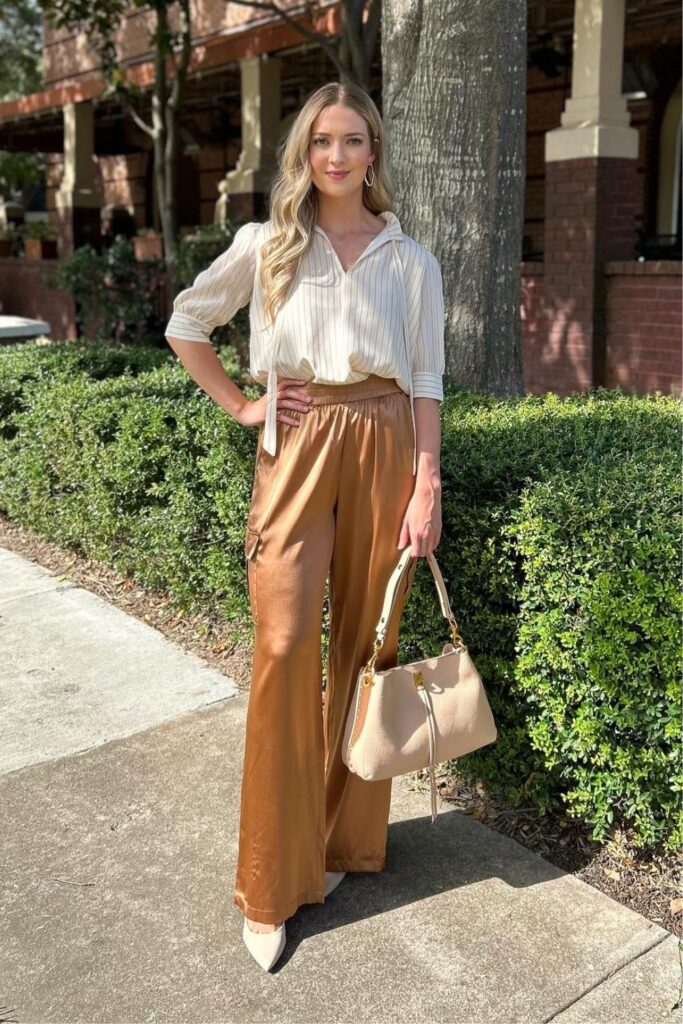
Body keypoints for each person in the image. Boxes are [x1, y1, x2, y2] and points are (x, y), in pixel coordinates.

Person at [164, 80, 445, 972]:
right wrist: (242, 405)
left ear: (373, 151)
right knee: (283, 646)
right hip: (297, 441)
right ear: (304, 152)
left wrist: (426, 485)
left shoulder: (410, 259)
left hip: (387, 441)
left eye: (352, 140)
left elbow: (426, 379)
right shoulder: (268, 244)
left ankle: (344, 841)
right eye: (321, 140)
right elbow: (186, 323)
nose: (336, 155)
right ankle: (269, 880)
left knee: (368, 646)